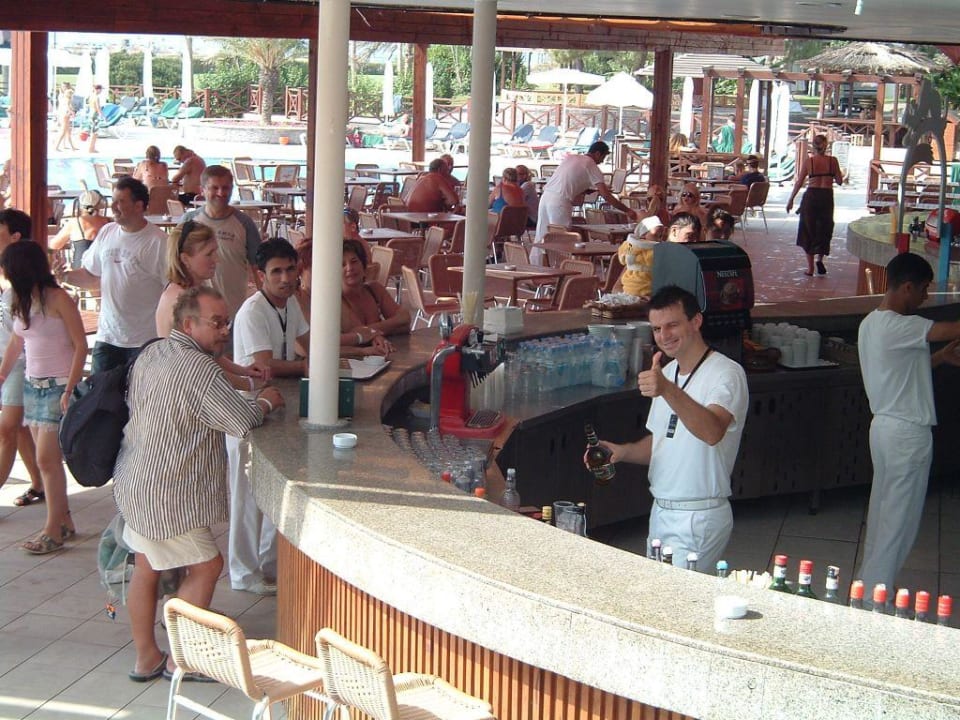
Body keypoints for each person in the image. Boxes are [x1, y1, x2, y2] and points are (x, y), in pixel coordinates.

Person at [115, 286, 284, 682]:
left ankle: (146, 658)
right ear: (189, 325)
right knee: (208, 565)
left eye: (227, 322)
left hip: (135, 480)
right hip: (166, 493)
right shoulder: (199, 368)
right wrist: (267, 401)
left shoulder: (154, 351)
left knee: (146, 567)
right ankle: (183, 660)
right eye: (217, 323)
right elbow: (240, 420)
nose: (225, 330)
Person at [586, 285, 748, 572]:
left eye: (672, 325)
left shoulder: (726, 373)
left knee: (677, 594)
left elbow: (712, 432)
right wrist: (623, 452)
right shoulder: (667, 373)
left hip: (699, 515)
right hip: (661, 509)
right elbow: (663, 441)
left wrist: (667, 390)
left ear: (696, 321)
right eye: (657, 329)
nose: (664, 336)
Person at [855, 253, 960, 603]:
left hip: (884, 430)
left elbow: (899, 373)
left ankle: (867, 587)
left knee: (883, 515)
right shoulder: (901, 325)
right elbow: (953, 329)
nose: (926, 298)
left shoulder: (871, 324)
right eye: (924, 289)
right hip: (907, 434)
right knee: (899, 523)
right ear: (907, 287)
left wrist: (940, 358)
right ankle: (876, 599)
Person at [228, 239, 310, 596]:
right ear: (260, 275)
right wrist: (304, 366)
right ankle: (242, 573)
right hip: (246, 410)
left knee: (272, 493)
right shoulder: (252, 311)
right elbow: (264, 366)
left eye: (290, 270)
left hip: (274, 405)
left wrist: (357, 347)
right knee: (246, 499)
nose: (285, 278)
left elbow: (310, 342)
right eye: (276, 272)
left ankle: (269, 565)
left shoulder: (290, 303)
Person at [0, 241, 87, 554]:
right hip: (31, 385)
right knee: (47, 461)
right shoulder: (20, 300)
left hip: (57, 385)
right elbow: (16, 342)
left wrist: (70, 389)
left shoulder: (58, 298)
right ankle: (64, 521)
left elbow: (80, 345)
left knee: (46, 460)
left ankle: (52, 530)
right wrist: (2, 374)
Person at [0, 210, 42, 508]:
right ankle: (39, 484)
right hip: (5, 359)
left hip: (19, 361)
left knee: (7, 429)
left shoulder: (25, 277)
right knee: (21, 428)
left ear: (15, 236)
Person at [534, 141, 637, 262]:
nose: (602, 161)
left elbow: (569, 180)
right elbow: (606, 196)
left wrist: (586, 190)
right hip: (560, 201)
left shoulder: (571, 158)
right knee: (561, 238)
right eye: (603, 157)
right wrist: (627, 210)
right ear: (597, 154)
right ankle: (560, 266)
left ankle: (536, 264)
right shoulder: (591, 165)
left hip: (546, 196)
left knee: (541, 234)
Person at [181, 165, 261, 318]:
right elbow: (176, 265)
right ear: (202, 190)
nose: (221, 193)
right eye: (214, 188)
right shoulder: (189, 221)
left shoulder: (244, 223)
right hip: (196, 313)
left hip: (234, 311)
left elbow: (258, 268)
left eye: (226, 188)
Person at [340, 239, 410, 359]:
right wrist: (389, 327)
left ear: (363, 265)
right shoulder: (336, 301)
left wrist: (369, 333)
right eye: (343, 265)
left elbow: (405, 320)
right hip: (350, 361)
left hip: (382, 356)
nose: (350, 268)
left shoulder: (374, 289)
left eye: (354, 262)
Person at [786, 134, 843, 277]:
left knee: (808, 230)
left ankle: (810, 268)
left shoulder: (809, 162)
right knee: (824, 229)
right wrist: (834, 173)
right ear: (826, 145)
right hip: (826, 197)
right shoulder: (833, 161)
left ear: (813, 146)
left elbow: (799, 182)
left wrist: (791, 199)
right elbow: (840, 181)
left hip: (811, 196)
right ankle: (820, 260)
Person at [48, 189, 110, 269]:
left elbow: (54, 245)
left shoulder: (74, 223)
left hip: (79, 270)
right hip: (104, 270)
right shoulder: (109, 222)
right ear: (100, 205)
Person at [617, 215, 663, 299]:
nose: (659, 239)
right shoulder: (632, 245)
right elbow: (624, 256)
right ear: (643, 234)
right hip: (637, 284)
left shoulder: (630, 245)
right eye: (656, 235)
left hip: (642, 285)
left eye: (660, 236)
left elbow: (623, 257)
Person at [515, 164, 539, 229]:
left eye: (518, 174)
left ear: (525, 175)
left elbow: (515, 199)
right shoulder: (520, 185)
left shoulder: (527, 185)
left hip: (531, 218)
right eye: (514, 174)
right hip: (525, 216)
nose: (515, 176)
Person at [54, 83, 77, 152]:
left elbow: (68, 107)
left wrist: (71, 112)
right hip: (65, 116)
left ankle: (72, 147)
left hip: (65, 115)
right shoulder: (67, 99)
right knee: (63, 132)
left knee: (68, 131)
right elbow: (67, 107)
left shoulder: (65, 98)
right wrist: (72, 112)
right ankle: (56, 146)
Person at [86, 85, 103, 154]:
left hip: (91, 113)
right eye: (101, 89)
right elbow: (98, 107)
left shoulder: (91, 96)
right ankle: (91, 148)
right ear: (98, 89)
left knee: (93, 132)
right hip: (95, 115)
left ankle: (92, 148)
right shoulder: (96, 97)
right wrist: (102, 115)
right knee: (94, 133)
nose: (101, 91)